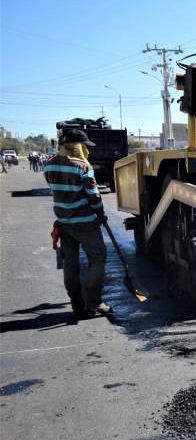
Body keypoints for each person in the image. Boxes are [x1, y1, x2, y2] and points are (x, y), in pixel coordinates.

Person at [43, 129, 112, 319]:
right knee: (97, 257)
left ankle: (77, 305)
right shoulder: (83, 166)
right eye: (84, 146)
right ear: (76, 146)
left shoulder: (49, 165)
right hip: (86, 223)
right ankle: (94, 301)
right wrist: (100, 213)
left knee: (70, 264)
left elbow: (55, 188)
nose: (86, 150)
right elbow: (93, 196)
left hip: (64, 223)